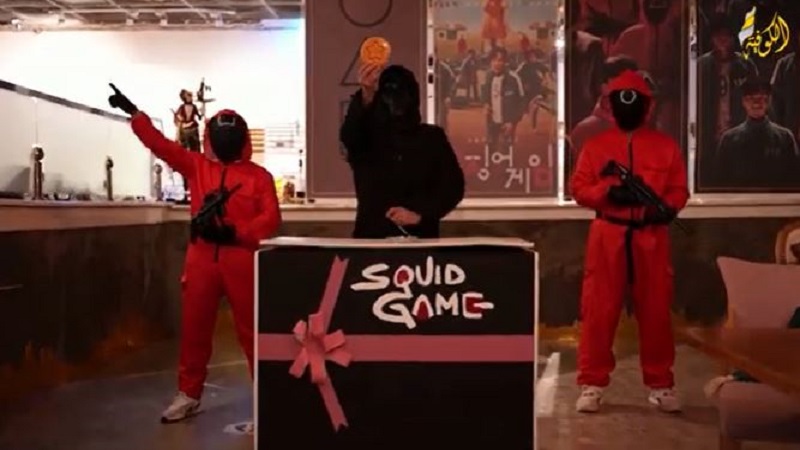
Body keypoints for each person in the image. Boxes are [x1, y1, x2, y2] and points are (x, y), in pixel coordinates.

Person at [107, 84, 282, 425]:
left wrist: (235, 232)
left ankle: (265, 399)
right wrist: (135, 114)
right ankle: (189, 393)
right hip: (203, 259)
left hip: (241, 258)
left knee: (252, 332)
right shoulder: (197, 166)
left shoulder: (259, 177)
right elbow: (160, 144)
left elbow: (270, 219)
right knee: (194, 329)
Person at [570, 70, 689, 414]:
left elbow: (679, 189)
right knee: (598, 309)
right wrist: (609, 193)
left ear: (647, 106)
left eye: (634, 100)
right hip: (608, 234)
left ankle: (661, 384)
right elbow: (579, 189)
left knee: (656, 310)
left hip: (651, 236)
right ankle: (592, 383)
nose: (628, 106)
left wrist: (667, 209)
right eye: (621, 100)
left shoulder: (666, 147)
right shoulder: (595, 147)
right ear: (610, 105)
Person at [339, 64, 465, 239]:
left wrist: (421, 215)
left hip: (420, 241)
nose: (395, 100)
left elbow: (453, 187)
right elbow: (350, 135)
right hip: (371, 242)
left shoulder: (432, 138)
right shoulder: (368, 138)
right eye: (388, 92)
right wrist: (367, 94)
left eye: (401, 92)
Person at [697, 14, 759, 186]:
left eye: (727, 35)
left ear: (733, 38)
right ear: (711, 38)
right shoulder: (701, 66)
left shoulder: (746, 65)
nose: (722, 40)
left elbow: (757, 98)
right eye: (718, 36)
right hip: (709, 136)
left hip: (740, 136)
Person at [713, 80, 800, 189]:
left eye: (761, 98)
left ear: (768, 101)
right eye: (750, 98)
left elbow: (794, 177)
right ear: (743, 102)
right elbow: (720, 179)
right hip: (739, 198)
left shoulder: (785, 137)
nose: (756, 103)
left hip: (776, 197)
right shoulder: (729, 139)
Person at [483, 48, 526, 154]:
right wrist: (486, 104)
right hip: (492, 121)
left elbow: (522, 102)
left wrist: (512, 121)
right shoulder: (488, 76)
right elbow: (485, 94)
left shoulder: (514, 78)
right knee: (490, 150)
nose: (496, 63)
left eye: (500, 60)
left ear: (505, 62)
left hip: (508, 122)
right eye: (494, 60)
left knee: (506, 152)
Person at [174, 89, 203, 203]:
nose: (191, 97)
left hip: (192, 131)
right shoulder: (181, 108)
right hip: (185, 132)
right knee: (185, 159)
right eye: (188, 95)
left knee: (195, 157)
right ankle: (186, 190)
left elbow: (199, 116)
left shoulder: (194, 107)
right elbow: (177, 120)